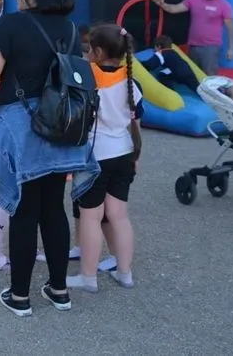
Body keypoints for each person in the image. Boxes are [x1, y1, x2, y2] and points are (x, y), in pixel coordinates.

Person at [0, 0, 100, 318]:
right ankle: (59, 290)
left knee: (24, 210)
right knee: (53, 209)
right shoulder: (71, 28)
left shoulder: (12, 25)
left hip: (23, 124)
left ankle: (19, 297)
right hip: (61, 123)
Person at [67, 24, 143, 293]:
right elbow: (136, 122)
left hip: (94, 156)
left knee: (91, 216)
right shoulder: (133, 82)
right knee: (118, 216)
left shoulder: (87, 78)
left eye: (89, 49)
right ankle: (125, 273)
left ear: (97, 51)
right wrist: (137, 153)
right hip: (124, 152)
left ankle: (88, 276)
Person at [153, 0, 233, 75]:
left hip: (211, 47)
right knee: (194, 74)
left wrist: (231, 49)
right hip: (193, 45)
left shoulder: (224, 5)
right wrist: (162, 4)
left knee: (210, 76)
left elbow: (230, 28)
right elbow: (174, 9)